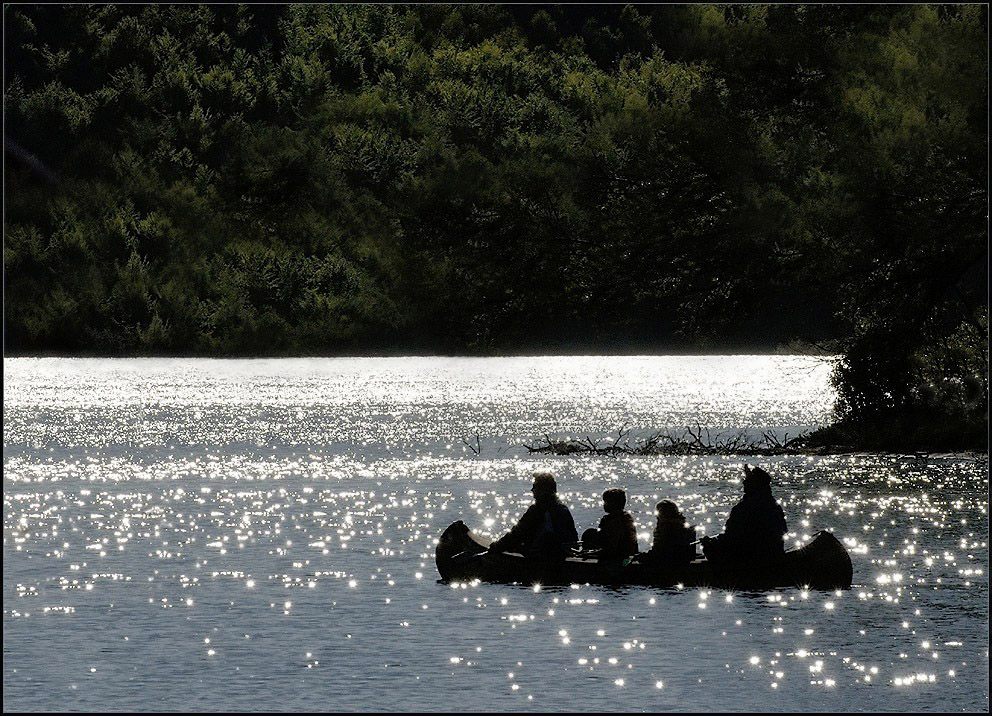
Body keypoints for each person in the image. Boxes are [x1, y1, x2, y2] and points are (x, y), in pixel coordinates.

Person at [700, 464, 787, 568]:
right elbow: (783, 530)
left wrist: (710, 543)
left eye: (748, 480)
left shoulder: (743, 508)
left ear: (755, 484)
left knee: (709, 547)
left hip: (748, 558)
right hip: (772, 554)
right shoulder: (773, 505)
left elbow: (732, 538)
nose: (744, 482)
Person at [489, 471, 578, 561]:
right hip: (562, 555)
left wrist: (496, 546)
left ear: (542, 490)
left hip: (543, 558)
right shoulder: (563, 509)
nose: (532, 490)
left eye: (534, 487)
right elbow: (574, 540)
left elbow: (516, 534)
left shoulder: (536, 511)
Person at [581, 488, 639, 562]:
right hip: (627, 553)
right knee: (590, 533)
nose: (604, 505)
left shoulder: (611, 520)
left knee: (589, 534)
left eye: (606, 502)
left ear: (613, 504)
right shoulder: (627, 517)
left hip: (617, 555)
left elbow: (613, 544)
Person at [638, 499, 696, 570]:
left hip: (668, 569)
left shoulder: (667, 531)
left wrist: (641, 557)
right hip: (683, 566)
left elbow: (660, 554)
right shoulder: (685, 529)